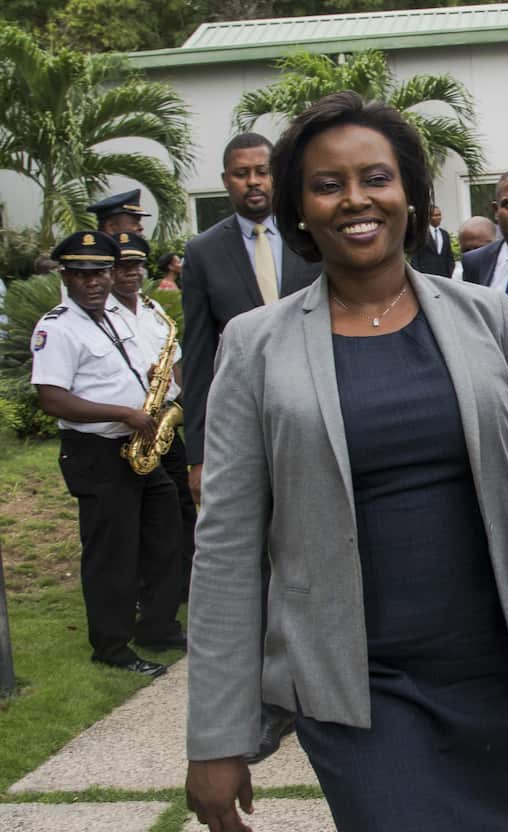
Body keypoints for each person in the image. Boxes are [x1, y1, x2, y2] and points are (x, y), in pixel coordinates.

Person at [184, 92, 508, 832]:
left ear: (411, 196)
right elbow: (225, 549)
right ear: (298, 210)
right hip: (356, 688)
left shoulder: (489, 319)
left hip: (492, 677)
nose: (355, 199)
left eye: (375, 178)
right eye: (326, 184)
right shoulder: (256, 346)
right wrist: (216, 735)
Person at [180, 131, 322, 762]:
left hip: (313, 423)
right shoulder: (203, 253)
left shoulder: (308, 237)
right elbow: (200, 357)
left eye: (262, 171)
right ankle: (269, 704)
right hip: (242, 432)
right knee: (251, 563)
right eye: (240, 174)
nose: (253, 183)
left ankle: (322, 677)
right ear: (226, 181)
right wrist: (196, 452)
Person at [30, 231, 184, 676]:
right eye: (82, 275)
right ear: (67, 277)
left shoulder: (116, 319)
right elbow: (52, 399)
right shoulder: (56, 327)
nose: (94, 282)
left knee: (164, 536)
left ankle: (157, 626)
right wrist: (123, 413)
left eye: (100, 273)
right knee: (111, 554)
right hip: (96, 451)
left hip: (138, 444)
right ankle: (112, 648)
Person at [108, 233, 197, 601]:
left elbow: (173, 360)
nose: (131, 273)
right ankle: (149, 591)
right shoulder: (104, 315)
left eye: (137, 266)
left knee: (180, 509)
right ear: (111, 271)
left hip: (164, 421)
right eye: (124, 267)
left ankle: (184, 586)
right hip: (133, 426)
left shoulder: (154, 311)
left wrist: (180, 401)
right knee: (145, 519)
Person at [409, 205, 454, 277]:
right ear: (428, 217)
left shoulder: (444, 234)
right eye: (435, 215)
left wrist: (449, 272)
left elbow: (449, 256)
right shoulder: (421, 234)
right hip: (427, 276)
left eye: (439, 215)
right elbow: (415, 258)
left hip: (444, 277)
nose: (439, 217)